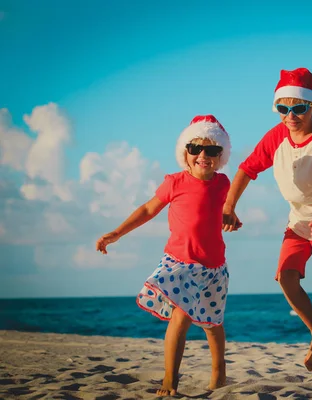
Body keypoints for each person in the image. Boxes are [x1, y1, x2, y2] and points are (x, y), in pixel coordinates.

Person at [222, 67, 312, 383]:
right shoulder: (275, 137)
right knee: (285, 276)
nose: (291, 115)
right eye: (283, 108)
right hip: (298, 222)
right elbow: (246, 169)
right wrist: (229, 206)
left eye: (299, 108)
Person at [96, 115, 234, 395]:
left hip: (214, 266)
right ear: (186, 153)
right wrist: (117, 233)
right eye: (196, 149)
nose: (203, 155)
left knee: (213, 323)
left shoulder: (223, 184)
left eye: (212, 150)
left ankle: (219, 373)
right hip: (182, 263)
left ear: (221, 155)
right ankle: (170, 380)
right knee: (180, 317)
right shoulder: (175, 182)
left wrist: (232, 216)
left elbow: (222, 209)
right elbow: (148, 209)